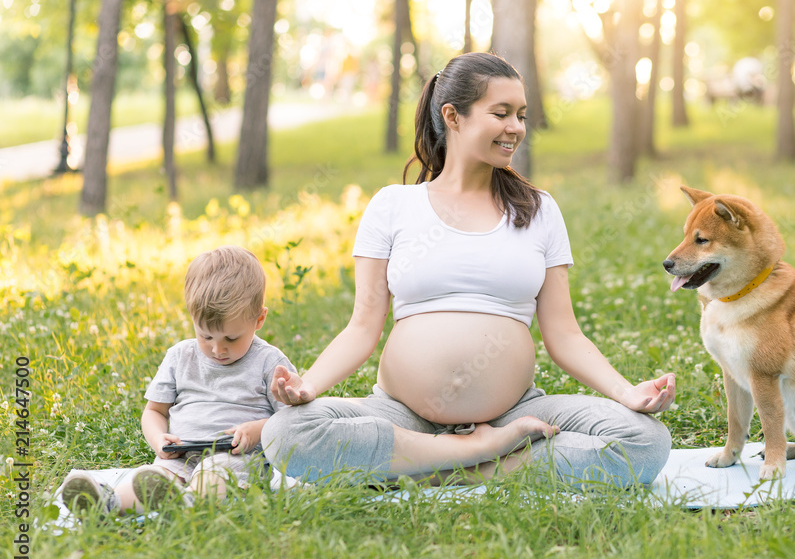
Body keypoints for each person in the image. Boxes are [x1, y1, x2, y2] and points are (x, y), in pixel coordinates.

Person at [262, 52, 675, 487]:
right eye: (501, 113)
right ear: (452, 116)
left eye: (521, 114)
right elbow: (362, 326)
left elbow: (565, 334)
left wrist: (627, 392)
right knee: (288, 433)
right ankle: (474, 456)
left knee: (644, 443)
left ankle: (434, 470)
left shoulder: (539, 211)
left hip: (514, 414)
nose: (516, 127)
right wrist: (308, 387)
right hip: (403, 415)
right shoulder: (394, 206)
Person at [61, 246, 294, 514]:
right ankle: (106, 504)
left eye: (231, 338)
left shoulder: (270, 362)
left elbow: (292, 422)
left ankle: (185, 507)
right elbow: (154, 411)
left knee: (214, 473)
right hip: (182, 454)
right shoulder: (180, 356)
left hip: (238, 458)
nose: (218, 349)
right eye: (205, 336)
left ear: (259, 319)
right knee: (151, 479)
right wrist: (159, 439)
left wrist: (258, 430)